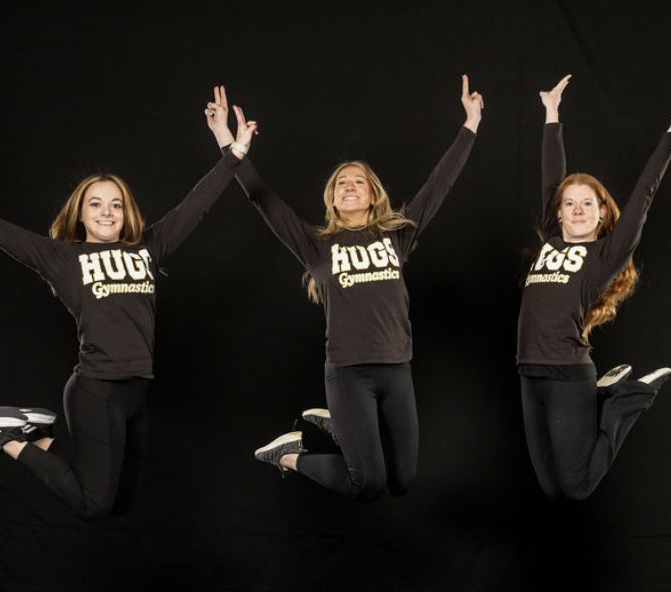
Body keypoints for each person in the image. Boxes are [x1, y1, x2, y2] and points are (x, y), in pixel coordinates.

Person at [0, 99, 251, 519]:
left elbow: (195, 207)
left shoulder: (149, 247)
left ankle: (34, 436)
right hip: (97, 390)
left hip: (137, 390)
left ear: (126, 214)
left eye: (116, 204)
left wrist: (230, 151)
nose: (107, 212)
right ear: (81, 214)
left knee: (122, 502)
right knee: (95, 503)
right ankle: (8, 439)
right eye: (95, 204)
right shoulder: (61, 258)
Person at [205, 79, 482, 500]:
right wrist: (228, 141)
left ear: (373, 196)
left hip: (396, 370)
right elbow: (263, 200)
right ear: (332, 201)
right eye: (340, 184)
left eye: (358, 182)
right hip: (348, 373)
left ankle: (344, 428)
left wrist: (471, 124)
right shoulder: (316, 245)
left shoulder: (397, 237)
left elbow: (438, 186)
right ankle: (288, 455)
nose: (349, 186)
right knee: (366, 483)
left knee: (402, 482)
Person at [517, 75, 671, 500]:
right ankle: (601, 397)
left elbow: (643, 198)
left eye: (588, 204)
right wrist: (551, 113)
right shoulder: (552, 238)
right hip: (528, 372)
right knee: (550, 488)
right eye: (569, 204)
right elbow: (552, 176)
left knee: (577, 486)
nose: (577, 210)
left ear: (601, 215)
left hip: (567, 373)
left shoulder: (604, 255)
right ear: (558, 214)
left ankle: (625, 400)